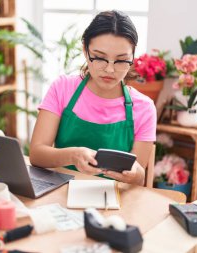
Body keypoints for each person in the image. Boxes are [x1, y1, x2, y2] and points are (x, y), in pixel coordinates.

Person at [29, 10, 156, 186]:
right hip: (60, 193)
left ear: (132, 56)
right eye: (100, 58)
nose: (110, 70)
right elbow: (36, 154)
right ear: (85, 50)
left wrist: (134, 174)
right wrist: (73, 155)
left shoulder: (144, 107)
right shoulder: (62, 88)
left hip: (114, 202)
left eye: (121, 60)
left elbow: (139, 175)